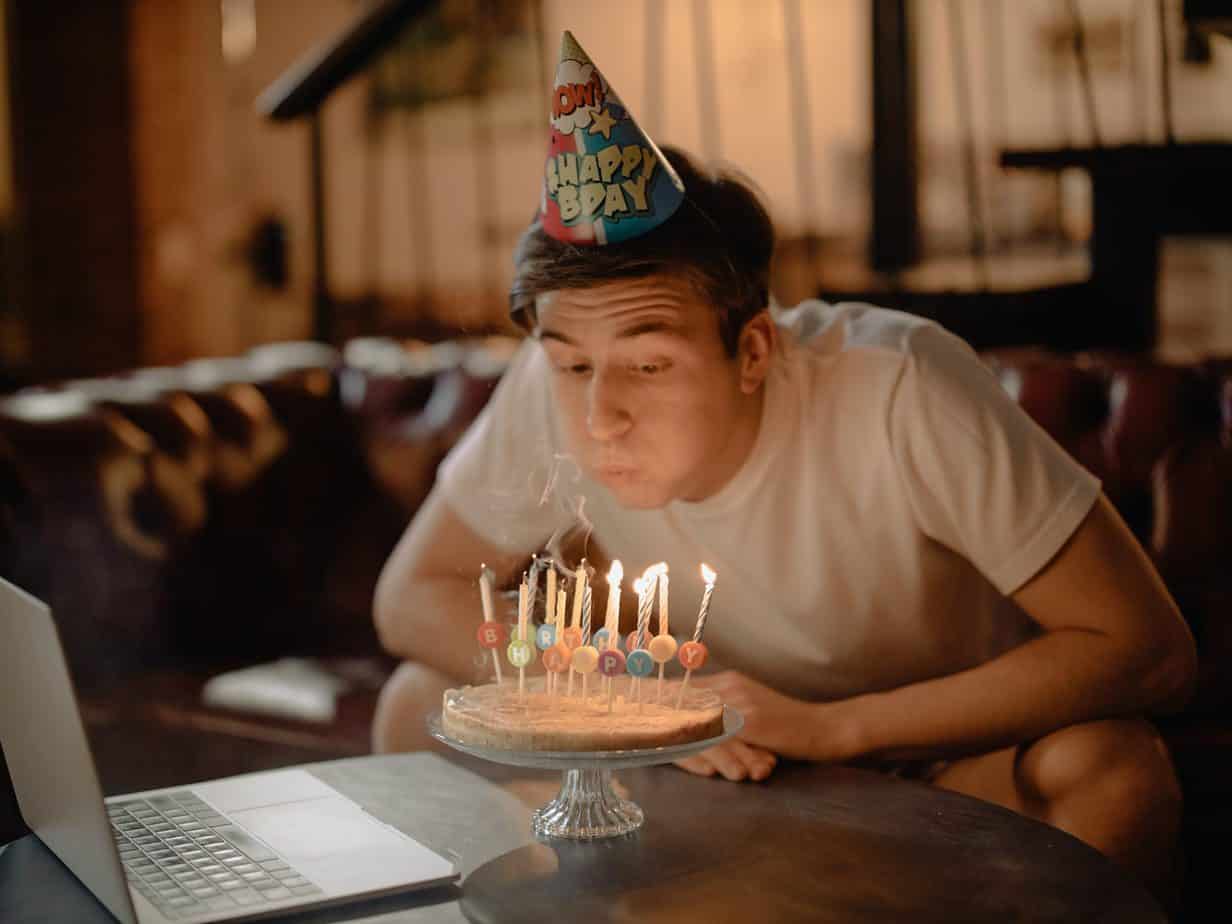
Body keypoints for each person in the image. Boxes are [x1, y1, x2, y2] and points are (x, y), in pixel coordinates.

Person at [372, 31, 1196, 902]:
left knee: (1114, 769)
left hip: (935, 763)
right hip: (699, 768)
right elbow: (411, 593)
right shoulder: (558, 382)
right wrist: (630, 703)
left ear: (753, 351)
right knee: (414, 703)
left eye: (649, 365)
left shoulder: (900, 385)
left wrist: (834, 730)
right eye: (572, 362)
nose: (597, 414)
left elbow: (1147, 649)